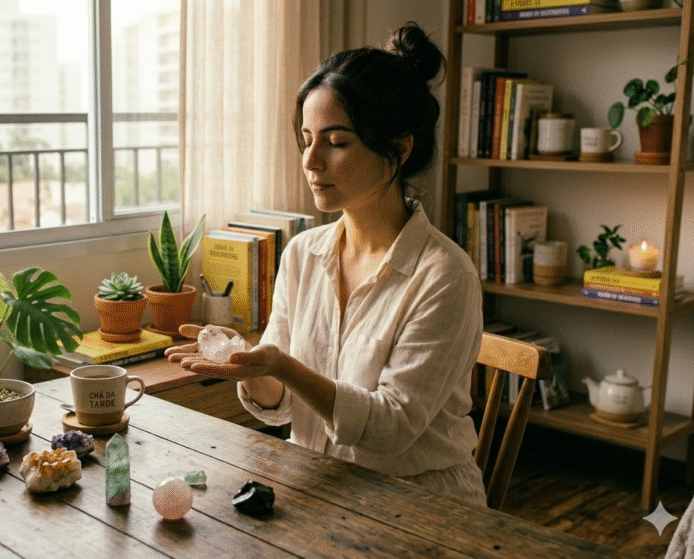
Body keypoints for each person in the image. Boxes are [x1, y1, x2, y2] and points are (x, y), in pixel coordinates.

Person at [166, 22, 487, 506]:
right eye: (306, 138)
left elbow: (389, 428)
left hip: (420, 505)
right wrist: (249, 366)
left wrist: (285, 366)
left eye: (336, 142)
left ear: (399, 148)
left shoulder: (445, 275)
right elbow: (277, 406)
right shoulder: (303, 253)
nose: (311, 161)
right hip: (319, 490)